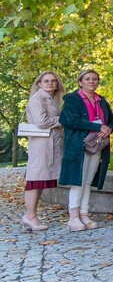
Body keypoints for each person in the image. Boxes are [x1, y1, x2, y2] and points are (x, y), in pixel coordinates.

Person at [58, 70, 113, 232]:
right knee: (78, 180)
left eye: (95, 79)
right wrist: (98, 126)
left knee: (89, 180)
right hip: (78, 145)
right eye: (87, 79)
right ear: (80, 82)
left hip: (96, 144)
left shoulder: (101, 100)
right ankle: (73, 217)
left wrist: (108, 128)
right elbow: (69, 120)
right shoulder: (72, 99)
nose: (92, 81)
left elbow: (110, 119)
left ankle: (84, 214)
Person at [22, 71, 65, 232]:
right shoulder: (37, 99)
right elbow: (41, 122)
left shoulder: (53, 99)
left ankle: (31, 215)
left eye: (53, 81)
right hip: (41, 145)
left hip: (51, 143)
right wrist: (61, 120)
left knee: (39, 180)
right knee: (34, 179)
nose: (50, 83)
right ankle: (30, 216)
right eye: (46, 81)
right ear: (39, 83)